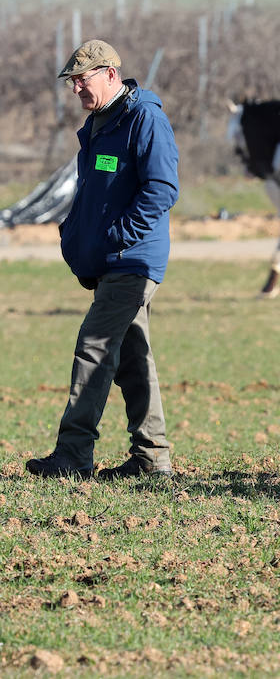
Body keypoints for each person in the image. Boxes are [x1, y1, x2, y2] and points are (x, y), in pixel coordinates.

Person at [26, 40, 179, 479]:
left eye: (82, 79)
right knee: (132, 359)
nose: (75, 89)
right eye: (72, 81)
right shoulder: (100, 124)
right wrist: (76, 240)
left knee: (93, 347)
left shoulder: (144, 118)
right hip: (111, 260)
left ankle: (73, 454)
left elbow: (162, 189)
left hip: (132, 261)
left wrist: (117, 239)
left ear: (111, 74)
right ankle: (152, 460)